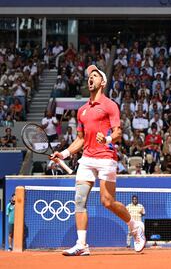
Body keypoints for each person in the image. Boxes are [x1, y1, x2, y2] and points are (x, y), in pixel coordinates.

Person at [51, 65, 145, 256]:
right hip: (86, 159)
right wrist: (65, 154)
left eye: (94, 75)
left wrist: (108, 139)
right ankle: (82, 245)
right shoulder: (82, 111)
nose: (90, 78)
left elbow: (118, 132)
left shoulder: (110, 105)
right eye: (89, 76)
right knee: (79, 200)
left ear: (102, 82)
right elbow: (80, 139)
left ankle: (135, 227)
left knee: (107, 202)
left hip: (106, 158)